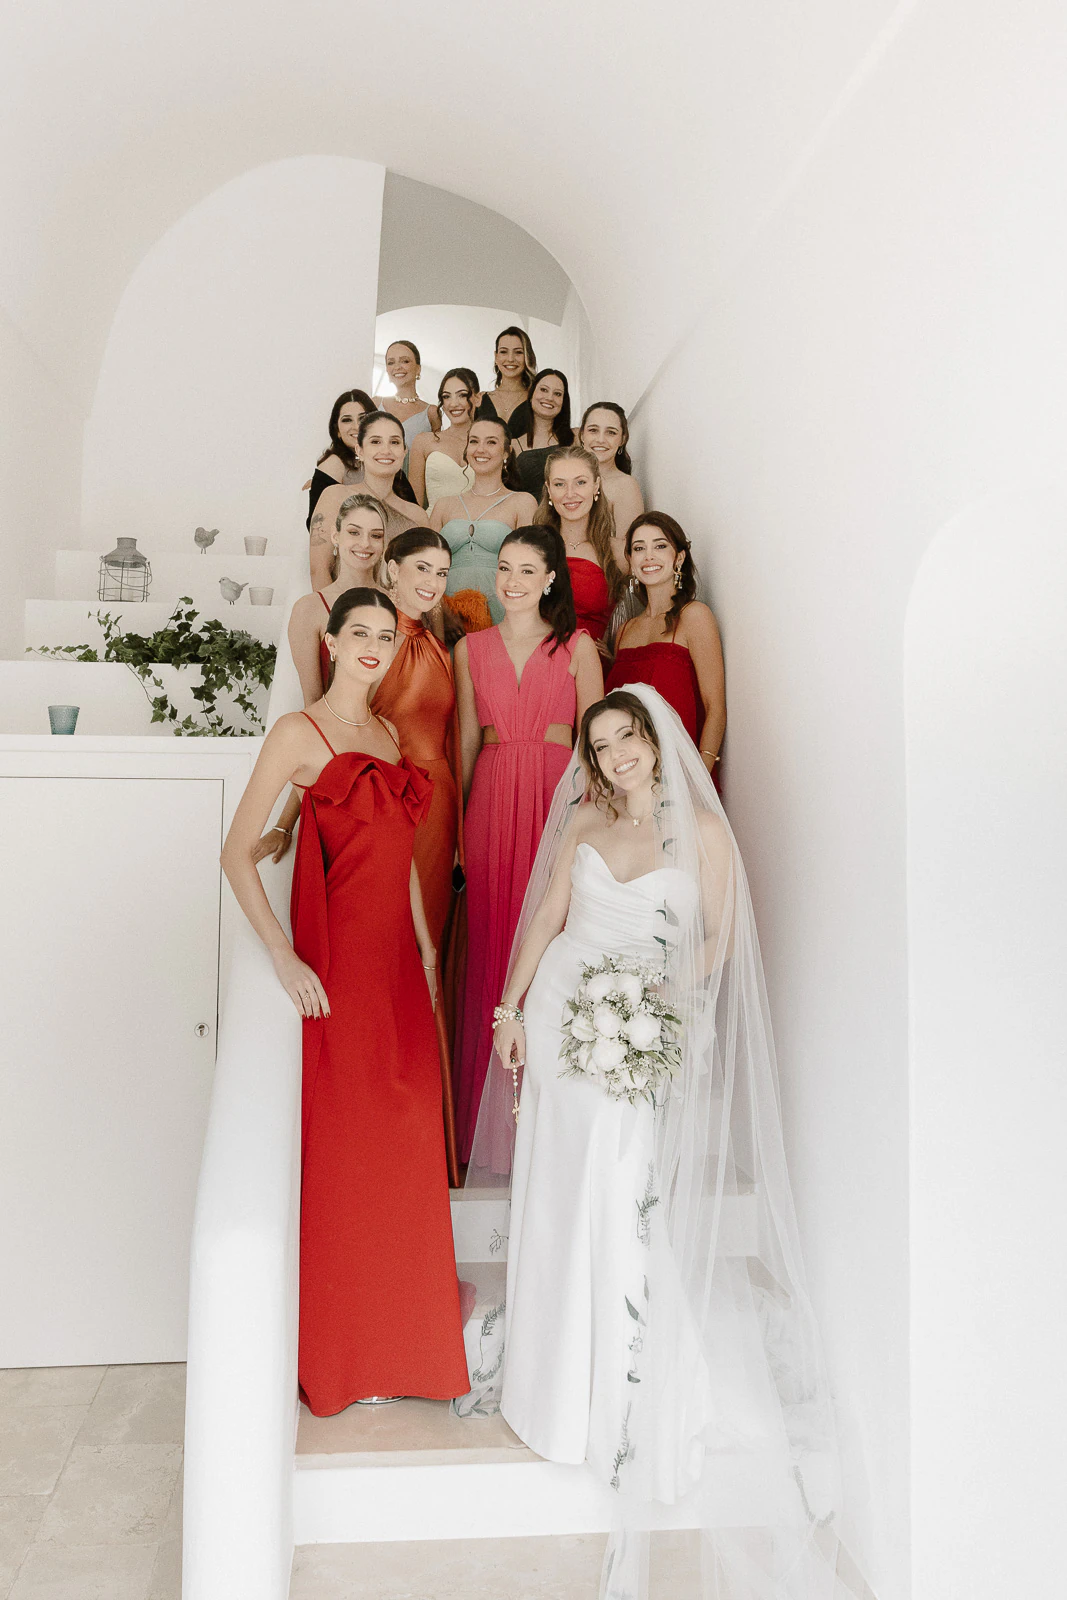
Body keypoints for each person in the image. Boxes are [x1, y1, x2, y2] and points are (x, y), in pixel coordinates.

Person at [464, 686, 842, 1600]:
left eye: (629, 737)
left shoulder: (701, 837)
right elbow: (545, 918)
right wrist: (511, 1010)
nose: (619, 754)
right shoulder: (586, 828)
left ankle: (631, 1392)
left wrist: (661, 1000)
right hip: (563, 1021)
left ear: (654, 741)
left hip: (642, 1032)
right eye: (602, 744)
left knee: (623, 1193)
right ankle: (551, 1391)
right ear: (589, 760)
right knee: (559, 1198)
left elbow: (719, 939)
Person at [220, 587, 469, 1416]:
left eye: (382, 634)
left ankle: (410, 1355)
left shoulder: (391, 733)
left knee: (404, 1148)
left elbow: (396, 848)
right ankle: (347, 1359)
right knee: (348, 1156)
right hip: (339, 968)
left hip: (398, 963)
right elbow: (234, 854)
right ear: (329, 640)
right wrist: (285, 957)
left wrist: (429, 943)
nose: (369, 644)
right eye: (355, 631)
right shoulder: (298, 732)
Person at [452, 527, 603, 1161]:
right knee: (492, 934)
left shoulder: (578, 645)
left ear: (550, 580)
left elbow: (595, 742)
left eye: (525, 570)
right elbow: (465, 738)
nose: (510, 580)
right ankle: (483, 1127)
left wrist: (594, 824)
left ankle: (551, 1120)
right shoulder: (470, 648)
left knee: (550, 937)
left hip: (556, 796)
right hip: (489, 796)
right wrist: (458, 831)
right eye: (503, 568)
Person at [373, 529, 465, 1182]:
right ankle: (389, 1122)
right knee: (393, 954)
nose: (432, 581)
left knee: (428, 949)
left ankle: (429, 1138)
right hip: (389, 805)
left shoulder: (440, 643)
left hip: (438, 809)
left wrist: (459, 828)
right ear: (391, 569)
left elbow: (455, 737)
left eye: (442, 569)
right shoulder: (372, 639)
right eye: (421, 569)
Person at [606, 512, 726, 776]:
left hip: (682, 775)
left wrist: (698, 779)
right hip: (630, 779)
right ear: (629, 560)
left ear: (679, 557)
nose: (649, 556)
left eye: (660, 546)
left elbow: (715, 708)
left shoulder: (694, 616)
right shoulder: (625, 631)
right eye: (639, 548)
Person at [431, 416, 538, 631]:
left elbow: (530, 569)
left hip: (503, 615)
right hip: (446, 619)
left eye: (491, 442)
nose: (481, 449)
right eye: (474, 441)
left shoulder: (523, 502)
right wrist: (442, 611)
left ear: (507, 452)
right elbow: (426, 568)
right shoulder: (443, 505)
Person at [309, 412, 424, 590]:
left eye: (394, 442)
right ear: (360, 451)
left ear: (404, 451)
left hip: (401, 615)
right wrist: (337, 615)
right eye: (375, 441)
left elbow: (423, 579)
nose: (386, 450)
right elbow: (319, 569)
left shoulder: (417, 516)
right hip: (344, 609)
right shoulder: (335, 496)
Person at [533, 444, 623, 645]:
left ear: (596, 486)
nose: (570, 493)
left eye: (580, 482)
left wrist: (617, 650)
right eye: (559, 484)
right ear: (548, 489)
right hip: (538, 661)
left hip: (594, 668)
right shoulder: (532, 549)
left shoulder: (617, 552)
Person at [578, 401, 644, 565]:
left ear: (622, 439)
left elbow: (627, 554)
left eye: (611, 432)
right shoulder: (565, 478)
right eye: (593, 430)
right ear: (581, 435)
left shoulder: (625, 485)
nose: (601, 439)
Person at [407, 367, 479, 510]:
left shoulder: (490, 443)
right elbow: (414, 506)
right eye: (447, 396)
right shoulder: (424, 442)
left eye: (462, 395)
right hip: (433, 527)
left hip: (479, 526)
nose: (453, 404)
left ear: (478, 398)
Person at [304, 389, 374, 529]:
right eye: (347, 420)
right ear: (337, 430)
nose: (356, 426)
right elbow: (317, 526)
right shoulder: (334, 464)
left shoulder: (385, 461)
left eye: (363, 418)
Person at [507, 369, 574, 500]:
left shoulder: (575, 439)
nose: (550, 398)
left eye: (558, 394)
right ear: (531, 395)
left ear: (563, 402)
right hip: (528, 518)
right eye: (544, 390)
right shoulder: (513, 446)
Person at [373, 339, 437, 448]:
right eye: (391, 362)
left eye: (405, 361)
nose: (397, 367)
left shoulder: (431, 412)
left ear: (418, 369)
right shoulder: (375, 404)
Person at [474, 326, 537, 426]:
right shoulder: (481, 400)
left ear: (527, 356)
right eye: (504, 352)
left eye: (518, 352)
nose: (510, 359)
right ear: (496, 357)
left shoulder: (536, 399)